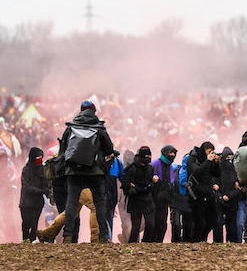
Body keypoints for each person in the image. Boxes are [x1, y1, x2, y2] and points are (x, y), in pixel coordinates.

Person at [58, 100, 114, 243]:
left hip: (74, 172)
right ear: (94, 111)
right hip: (95, 172)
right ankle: (103, 236)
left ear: (81, 110)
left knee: (71, 204)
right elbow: (109, 149)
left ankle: (68, 236)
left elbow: (63, 150)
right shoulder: (99, 128)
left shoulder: (71, 127)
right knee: (100, 204)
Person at [186, 141, 221, 242]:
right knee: (199, 221)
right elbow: (197, 172)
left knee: (213, 219)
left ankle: (202, 238)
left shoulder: (209, 161)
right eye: (209, 152)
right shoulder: (192, 159)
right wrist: (208, 161)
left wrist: (216, 163)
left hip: (208, 193)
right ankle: (195, 241)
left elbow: (217, 174)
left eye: (212, 152)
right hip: (196, 194)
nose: (211, 154)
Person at [123, 146, 157, 243]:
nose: (148, 159)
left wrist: (152, 184)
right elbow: (125, 185)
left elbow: (151, 184)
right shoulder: (131, 169)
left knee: (150, 224)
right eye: (146, 156)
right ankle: (132, 245)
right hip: (135, 202)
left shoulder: (150, 168)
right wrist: (131, 189)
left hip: (147, 201)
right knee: (135, 227)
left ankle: (146, 243)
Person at [20, 147, 48, 242]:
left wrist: (47, 191)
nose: (40, 161)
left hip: (38, 203)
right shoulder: (26, 170)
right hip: (26, 203)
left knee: (34, 224)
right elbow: (26, 186)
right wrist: (40, 191)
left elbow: (46, 183)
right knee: (26, 223)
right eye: (38, 159)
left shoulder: (43, 169)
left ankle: (32, 241)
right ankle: (25, 240)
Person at [151, 145, 177, 242]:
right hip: (154, 198)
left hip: (165, 199)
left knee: (163, 223)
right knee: (154, 222)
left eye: (174, 153)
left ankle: (159, 241)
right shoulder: (155, 164)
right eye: (171, 152)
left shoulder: (171, 166)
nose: (172, 155)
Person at [218, 147, 244, 242]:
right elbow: (215, 184)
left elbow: (240, 188)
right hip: (220, 200)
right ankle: (219, 242)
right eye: (227, 158)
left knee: (232, 224)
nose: (229, 160)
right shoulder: (218, 169)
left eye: (230, 158)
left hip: (232, 201)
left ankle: (233, 241)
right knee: (219, 223)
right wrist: (221, 196)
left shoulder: (236, 170)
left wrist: (229, 195)